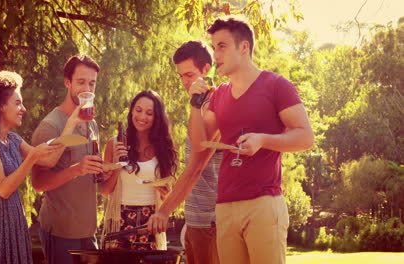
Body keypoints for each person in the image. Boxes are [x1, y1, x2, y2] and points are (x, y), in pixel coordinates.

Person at [187, 15, 314, 264]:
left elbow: (305, 137)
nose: (215, 55)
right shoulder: (220, 94)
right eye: (214, 48)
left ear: (244, 47)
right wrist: (194, 106)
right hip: (224, 205)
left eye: (222, 46)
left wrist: (263, 140)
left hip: (263, 203)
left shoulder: (277, 86)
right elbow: (200, 143)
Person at [0, 71, 64, 264]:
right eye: (18, 103)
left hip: (14, 222)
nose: (23, 109)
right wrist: (31, 159)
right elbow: (3, 189)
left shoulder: (13, 140)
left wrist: (72, 123)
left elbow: (49, 160)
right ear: (1, 106)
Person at [147, 40, 221, 264]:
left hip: (210, 222)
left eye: (189, 75)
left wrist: (164, 211)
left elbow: (197, 167)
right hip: (195, 221)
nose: (184, 82)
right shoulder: (199, 107)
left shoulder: (214, 105)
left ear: (206, 70)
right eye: (181, 76)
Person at [31, 54, 105, 264]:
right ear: (67, 82)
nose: (87, 89)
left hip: (89, 231)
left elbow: (92, 173)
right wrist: (76, 169)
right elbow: (38, 183)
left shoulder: (92, 124)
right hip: (61, 232)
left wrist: (107, 167)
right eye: (81, 82)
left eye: (92, 83)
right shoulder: (50, 126)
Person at [101, 90, 178, 250]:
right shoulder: (114, 143)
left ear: (157, 117)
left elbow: (169, 197)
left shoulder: (164, 147)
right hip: (119, 218)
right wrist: (117, 163)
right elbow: (106, 191)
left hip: (151, 220)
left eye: (149, 113)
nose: (142, 117)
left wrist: (166, 193)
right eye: (138, 110)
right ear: (131, 111)